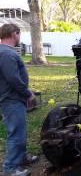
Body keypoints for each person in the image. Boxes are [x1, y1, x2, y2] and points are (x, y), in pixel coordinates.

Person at [0, 24, 38, 175]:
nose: (19, 37)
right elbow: (13, 79)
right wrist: (27, 93)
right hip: (11, 99)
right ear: (14, 34)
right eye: (19, 34)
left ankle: (21, 158)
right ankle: (10, 169)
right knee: (16, 133)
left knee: (20, 131)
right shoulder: (6, 54)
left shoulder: (5, 52)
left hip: (14, 98)